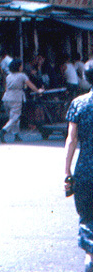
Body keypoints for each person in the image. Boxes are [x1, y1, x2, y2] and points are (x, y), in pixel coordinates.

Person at [65, 88, 93, 272]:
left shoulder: (79, 103)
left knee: (88, 218)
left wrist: (67, 172)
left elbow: (71, 139)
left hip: (85, 170)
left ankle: (90, 258)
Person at [0, 58, 44, 143]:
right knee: (15, 116)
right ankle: (3, 131)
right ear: (18, 67)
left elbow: (6, 87)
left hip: (6, 97)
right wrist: (38, 91)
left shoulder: (8, 76)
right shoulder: (22, 75)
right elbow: (30, 85)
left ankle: (16, 135)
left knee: (13, 117)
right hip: (16, 97)